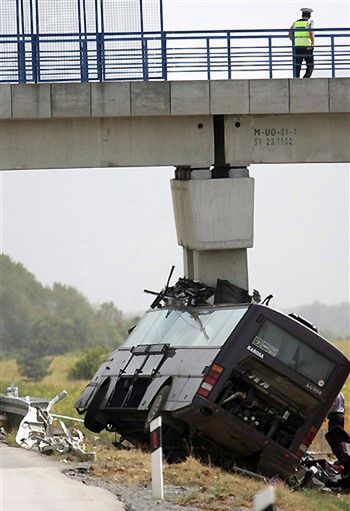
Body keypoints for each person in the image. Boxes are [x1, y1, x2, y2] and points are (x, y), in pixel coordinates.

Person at [289, 7, 315, 78]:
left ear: (302, 15)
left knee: (297, 66)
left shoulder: (295, 23)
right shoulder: (309, 23)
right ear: (309, 16)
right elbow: (311, 32)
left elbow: (289, 35)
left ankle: (296, 80)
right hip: (307, 47)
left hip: (297, 47)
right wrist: (312, 43)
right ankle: (305, 78)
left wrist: (295, 41)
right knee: (310, 65)